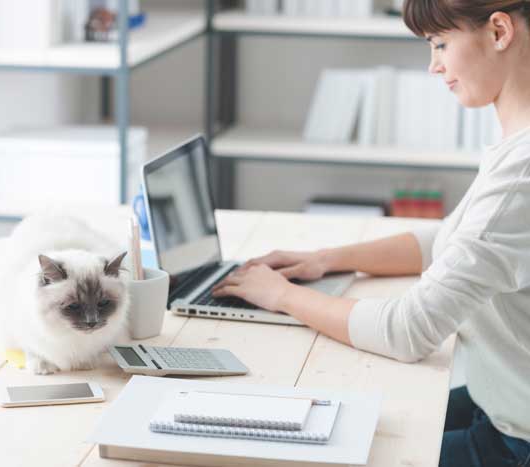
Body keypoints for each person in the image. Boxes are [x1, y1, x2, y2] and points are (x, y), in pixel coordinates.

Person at [212, 1, 530, 465]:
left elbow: (408, 330)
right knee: (344, 422)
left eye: (441, 43)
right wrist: (326, 258)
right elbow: (449, 241)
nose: (434, 65)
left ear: (499, 31)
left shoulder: (519, 176)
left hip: (514, 438)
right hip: (499, 403)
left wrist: (281, 296)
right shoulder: (515, 145)